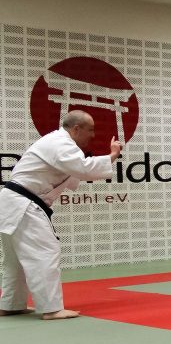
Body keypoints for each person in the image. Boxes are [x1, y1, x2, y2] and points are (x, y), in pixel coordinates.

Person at [0, 111, 121, 319]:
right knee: (45, 252)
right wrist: (112, 156)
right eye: (90, 130)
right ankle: (51, 308)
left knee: (16, 260)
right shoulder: (60, 143)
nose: (93, 135)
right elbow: (83, 168)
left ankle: (11, 304)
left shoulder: (58, 143)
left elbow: (75, 173)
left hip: (13, 204)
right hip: (23, 204)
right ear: (76, 129)